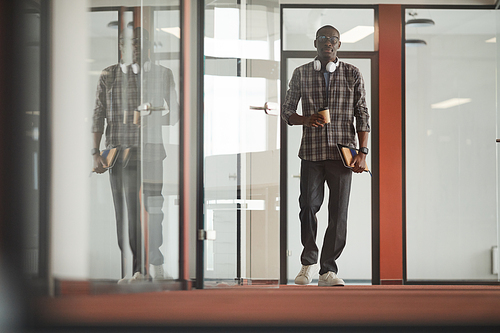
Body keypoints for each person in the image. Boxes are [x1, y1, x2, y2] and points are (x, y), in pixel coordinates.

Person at [281, 25, 370, 286]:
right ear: (316, 43)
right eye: (323, 39)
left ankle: (327, 271)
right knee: (308, 206)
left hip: (343, 155)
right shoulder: (301, 74)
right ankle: (308, 263)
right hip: (311, 152)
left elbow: (363, 115)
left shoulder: (352, 73)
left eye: (333, 40)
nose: (328, 43)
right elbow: (287, 110)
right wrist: (305, 119)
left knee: (338, 213)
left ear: (339, 45)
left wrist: (362, 153)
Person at [92, 27, 179, 283]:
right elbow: (98, 114)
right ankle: (137, 269)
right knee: (126, 213)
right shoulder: (108, 75)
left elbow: (175, 114)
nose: (133, 51)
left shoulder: (163, 74)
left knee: (154, 210)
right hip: (119, 155)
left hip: (151, 152)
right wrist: (95, 152)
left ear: (149, 47)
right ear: (121, 47)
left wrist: (151, 119)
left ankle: (155, 261)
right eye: (128, 45)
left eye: (140, 46)